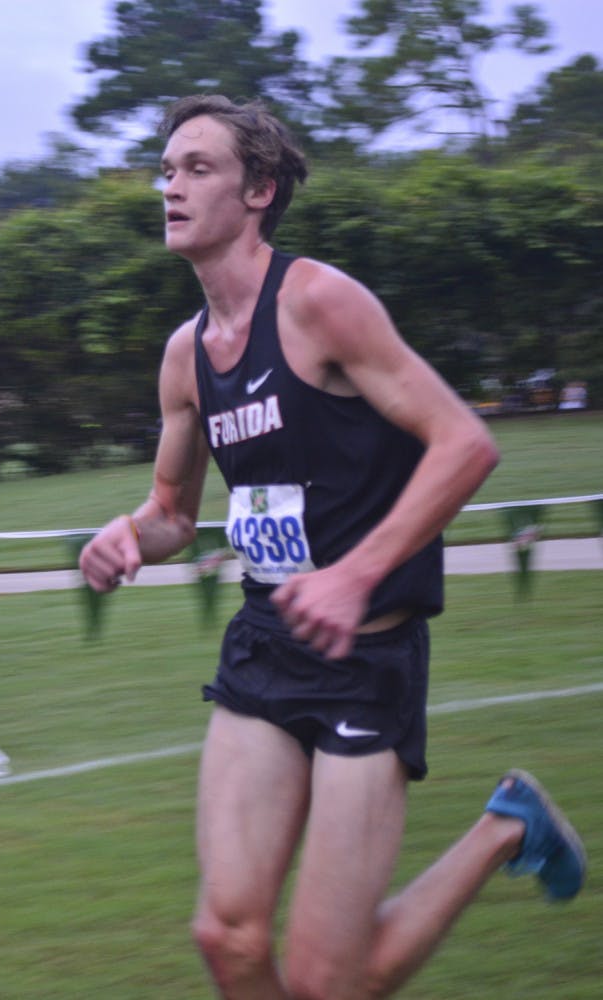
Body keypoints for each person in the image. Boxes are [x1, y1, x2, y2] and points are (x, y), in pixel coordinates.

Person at [80, 95, 586, 1000]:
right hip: (266, 646)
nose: (170, 186)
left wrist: (354, 574)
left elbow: (465, 444)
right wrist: (124, 536)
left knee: (324, 984)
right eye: (166, 170)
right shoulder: (185, 357)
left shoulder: (318, 302)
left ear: (259, 190)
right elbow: (170, 511)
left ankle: (503, 828)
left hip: (366, 657)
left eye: (198, 168)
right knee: (226, 937)